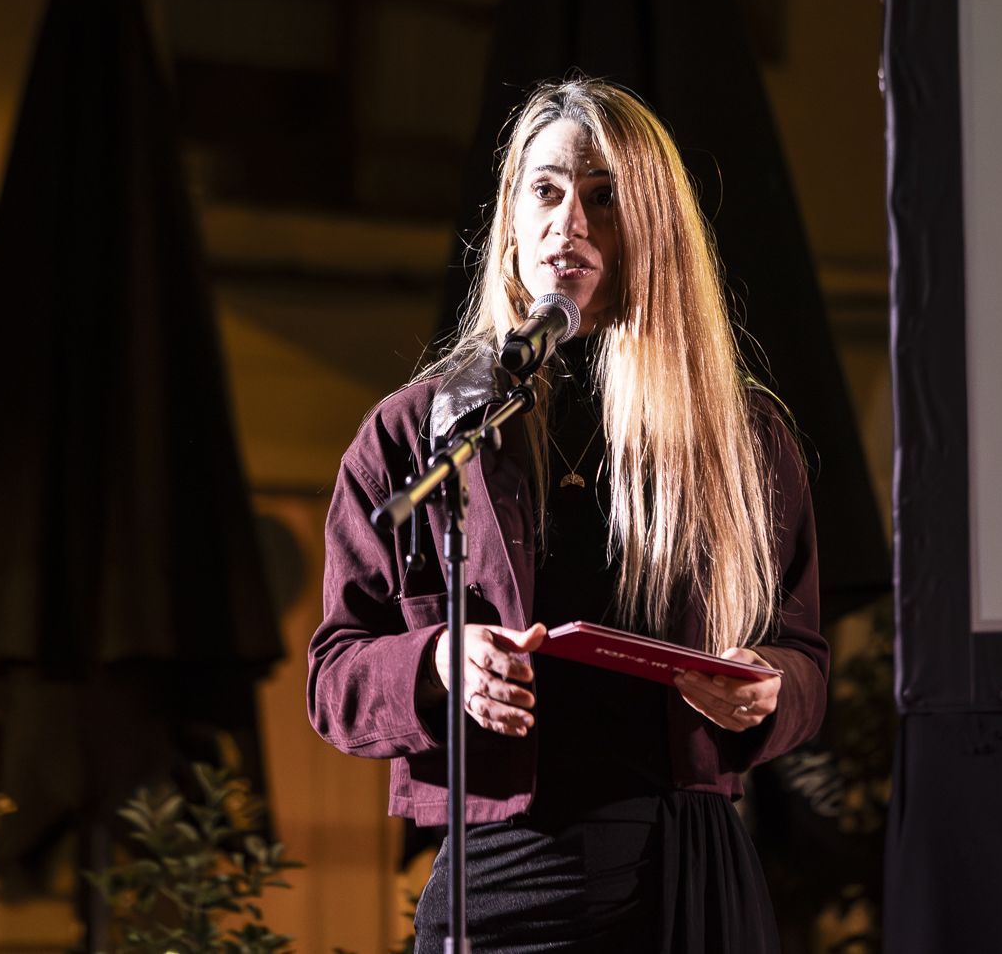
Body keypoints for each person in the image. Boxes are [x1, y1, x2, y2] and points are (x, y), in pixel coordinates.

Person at [307, 79, 826, 952]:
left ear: (651, 226)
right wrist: (440, 657)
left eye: (602, 196)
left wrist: (771, 686)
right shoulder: (420, 430)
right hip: (508, 868)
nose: (569, 222)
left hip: (688, 865)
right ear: (509, 222)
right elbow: (334, 677)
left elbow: (804, 656)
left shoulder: (739, 436)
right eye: (544, 191)